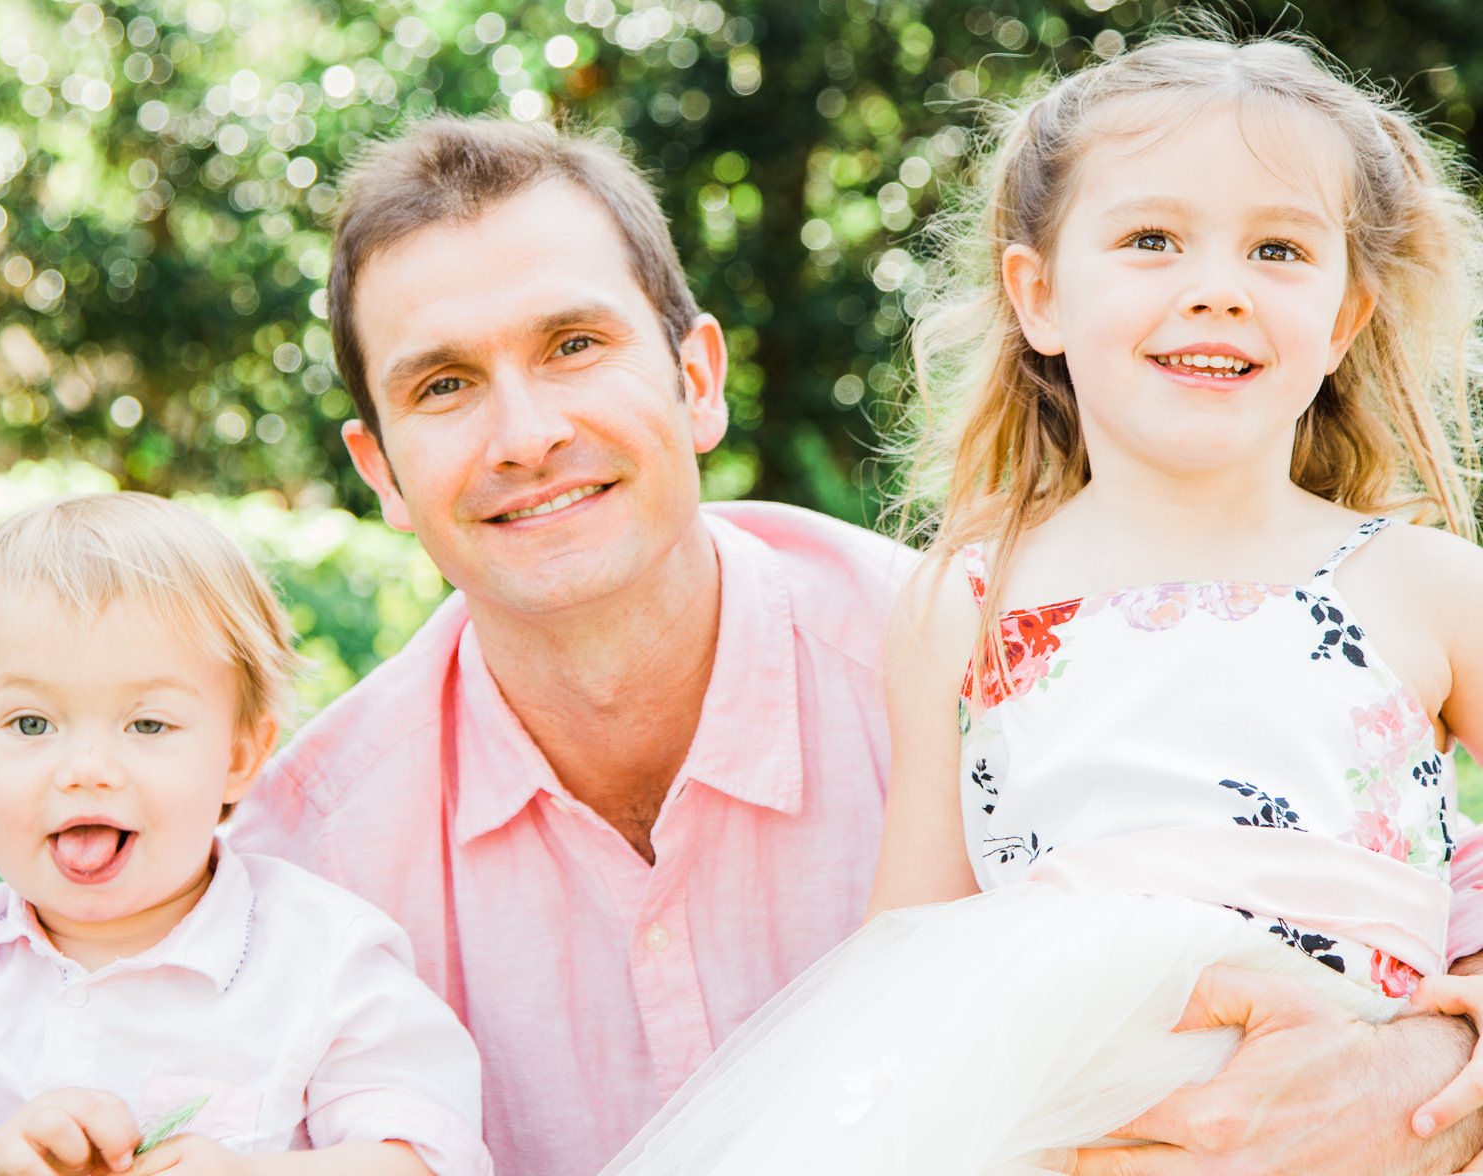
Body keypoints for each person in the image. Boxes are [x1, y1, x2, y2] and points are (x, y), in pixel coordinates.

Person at [230, 112, 1483, 1176]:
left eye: (576, 345)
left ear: (699, 378)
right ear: (379, 472)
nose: (524, 432)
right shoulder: (299, 870)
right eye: (443, 385)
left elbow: (1389, 845)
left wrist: (1425, 1067)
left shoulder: (1001, 652)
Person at [594, 29, 1483, 1176]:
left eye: (1277, 250)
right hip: (1068, 1126)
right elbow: (909, 948)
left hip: (1356, 1117)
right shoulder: (968, 600)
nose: (1217, 290)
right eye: (1151, 241)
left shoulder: (1427, 585)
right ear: (1041, 296)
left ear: (1346, 318)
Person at [0, 494, 489, 1176]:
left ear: (239, 758)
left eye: (147, 725)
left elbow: (427, 1157)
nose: (85, 770)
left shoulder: (325, 961)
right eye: (32, 724)